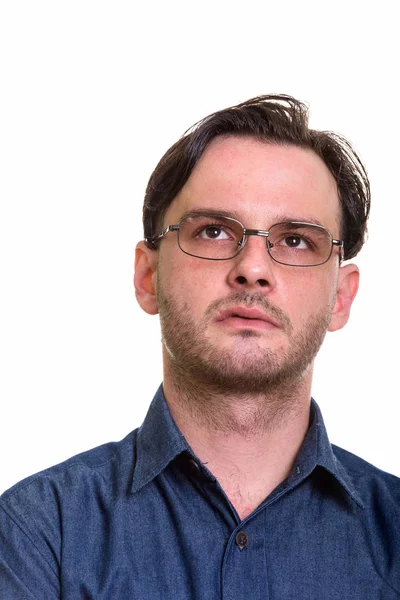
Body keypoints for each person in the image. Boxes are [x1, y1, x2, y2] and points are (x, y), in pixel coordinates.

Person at [1, 94, 399, 599]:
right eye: (213, 231)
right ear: (149, 276)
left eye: (296, 240)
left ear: (341, 297)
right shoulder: (39, 535)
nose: (253, 268)